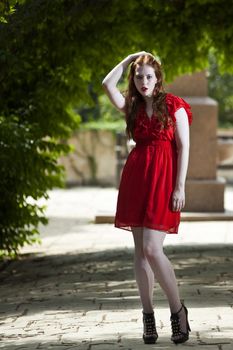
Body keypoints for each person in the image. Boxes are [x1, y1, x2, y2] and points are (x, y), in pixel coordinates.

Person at [102, 51, 192, 345]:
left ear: (158, 77)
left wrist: (180, 187)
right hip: (136, 178)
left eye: (148, 76)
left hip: (164, 179)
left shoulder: (174, 105)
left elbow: (184, 147)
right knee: (140, 252)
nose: (143, 82)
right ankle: (148, 316)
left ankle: (178, 311)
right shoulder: (132, 106)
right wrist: (129, 59)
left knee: (154, 250)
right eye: (138, 77)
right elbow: (107, 84)